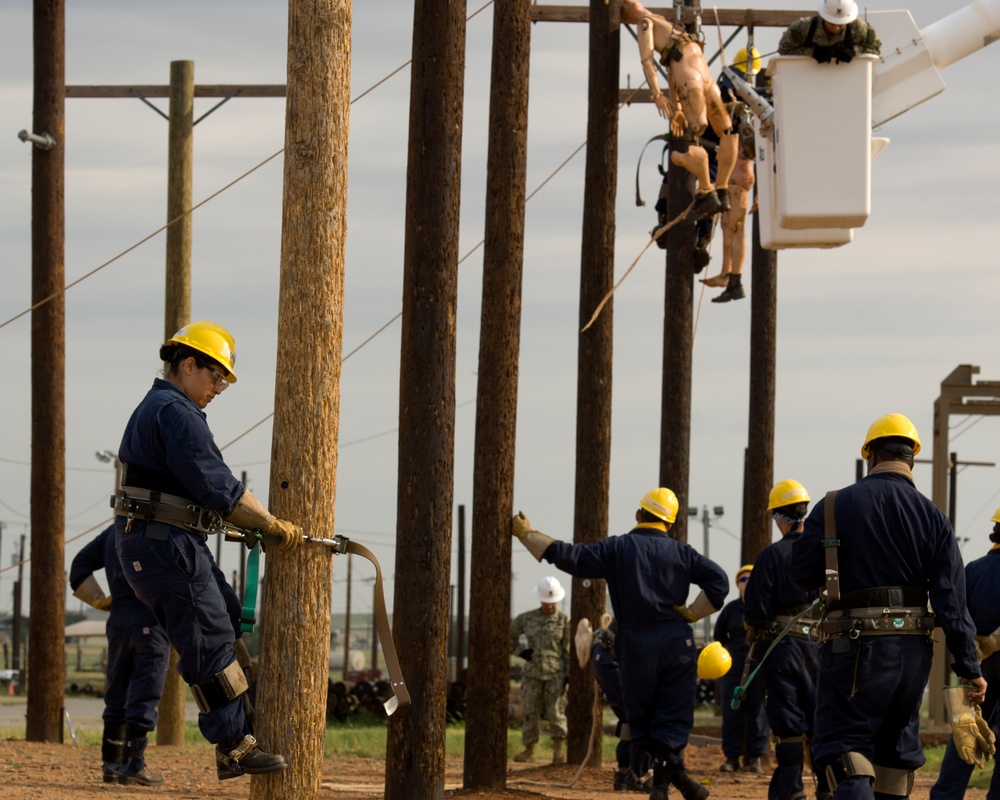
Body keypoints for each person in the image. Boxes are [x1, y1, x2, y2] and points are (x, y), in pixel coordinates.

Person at [113, 320, 303, 780]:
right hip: (165, 543)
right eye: (216, 376)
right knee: (209, 634)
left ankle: (244, 719)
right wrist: (272, 525)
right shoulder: (174, 412)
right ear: (188, 364)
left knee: (229, 614)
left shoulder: (161, 407)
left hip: (169, 539)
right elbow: (221, 487)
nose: (219, 387)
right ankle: (233, 745)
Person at [788, 413, 986, 799]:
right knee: (895, 759)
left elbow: (800, 572)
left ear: (870, 457)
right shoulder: (935, 518)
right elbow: (952, 602)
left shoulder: (833, 506)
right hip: (914, 656)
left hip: (854, 650)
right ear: (911, 460)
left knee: (844, 749)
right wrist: (970, 668)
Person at [511, 487, 729, 800]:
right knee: (673, 715)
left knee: (639, 716)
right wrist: (694, 613)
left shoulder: (619, 548)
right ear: (670, 523)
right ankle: (670, 784)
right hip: (676, 640)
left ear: (639, 515)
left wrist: (527, 535)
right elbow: (719, 582)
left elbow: (573, 558)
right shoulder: (683, 553)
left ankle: (664, 787)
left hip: (636, 642)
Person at [744, 480, 830, 800]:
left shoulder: (770, 556)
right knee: (822, 719)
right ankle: (828, 787)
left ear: (779, 517)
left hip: (782, 651)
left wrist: (756, 627)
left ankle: (791, 791)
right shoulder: (826, 551)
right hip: (821, 647)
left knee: (789, 724)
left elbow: (755, 611)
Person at [70, 523, 170, 786]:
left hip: (118, 623)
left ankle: (112, 764)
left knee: (117, 694)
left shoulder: (113, 531)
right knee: (144, 696)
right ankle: (133, 764)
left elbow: (79, 566)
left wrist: (100, 600)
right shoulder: (163, 527)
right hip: (151, 623)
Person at [622, 0, 739, 222]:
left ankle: (707, 190)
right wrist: (676, 106)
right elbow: (671, 67)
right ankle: (721, 189)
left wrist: (657, 94)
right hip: (705, 76)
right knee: (727, 132)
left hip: (690, 79)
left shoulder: (645, 23)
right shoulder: (667, 24)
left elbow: (647, 61)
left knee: (696, 135)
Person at [929, 505, 1000, 800]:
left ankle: (946, 796)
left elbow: (956, 617)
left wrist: (971, 657)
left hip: (976, 666)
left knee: (965, 736)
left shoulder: (973, 570)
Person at [700, 47, 759, 303]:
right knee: (727, 228)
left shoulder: (752, 114)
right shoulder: (739, 108)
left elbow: (766, 156)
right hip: (735, 177)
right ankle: (727, 274)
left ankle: (735, 279)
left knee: (736, 228)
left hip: (740, 178)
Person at [510, 576, 572, 765]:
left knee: (556, 712)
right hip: (532, 673)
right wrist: (521, 652)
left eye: (552, 603)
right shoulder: (526, 618)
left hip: (556, 674)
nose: (549, 606)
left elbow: (569, 650)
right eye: (546, 602)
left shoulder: (565, 620)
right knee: (530, 711)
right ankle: (530, 750)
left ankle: (559, 752)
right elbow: (508, 637)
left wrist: (569, 675)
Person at [714, 563, 768, 775]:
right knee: (732, 713)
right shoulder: (730, 610)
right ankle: (731, 758)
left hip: (758, 666)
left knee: (759, 713)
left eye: (750, 579)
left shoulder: (764, 606)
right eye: (743, 579)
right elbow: (718, 636)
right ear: (738, 584)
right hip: (733, 667)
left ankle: (755, 759)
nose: (747, 583)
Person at [589, 618, 653, 791]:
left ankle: (624, 773)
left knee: (628, 718)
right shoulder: (657, 603)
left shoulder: (642, 596)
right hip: (611, 661)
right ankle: (640, 775)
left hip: (605, 658)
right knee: (645, 717)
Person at [778, 0, 881, 63]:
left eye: (841, 25)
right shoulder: (803, 28)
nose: (836, 28)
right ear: (824, 17)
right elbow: (784, 50)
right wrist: (812, 53)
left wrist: (854, 51)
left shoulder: (858, 28)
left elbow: (875, 48)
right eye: (831, 23)